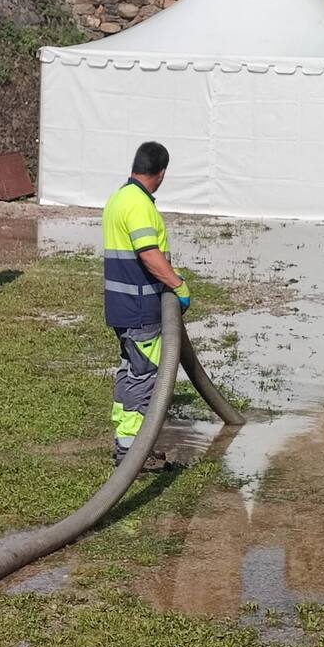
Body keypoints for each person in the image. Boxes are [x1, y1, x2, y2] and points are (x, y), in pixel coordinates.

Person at [102, 141, 191, 469]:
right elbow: (148, 253)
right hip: (141, 308)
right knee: (145, 379)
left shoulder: (118, 199)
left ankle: (129, 446)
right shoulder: (139, 205)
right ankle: (131, 456)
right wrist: (177, 284)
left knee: (131, 373)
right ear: (162, 173)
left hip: (120, 306)